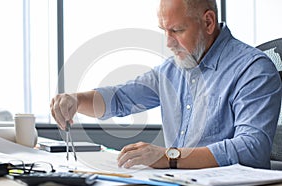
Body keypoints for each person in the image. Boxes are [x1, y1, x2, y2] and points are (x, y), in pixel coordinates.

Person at [51, 0, 281, 169]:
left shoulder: (253, 69)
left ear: (208, 22)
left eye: (177, 30)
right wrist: (76, 100)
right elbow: (120, 98)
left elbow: (252, 148)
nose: (168, 43)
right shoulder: (172, 70)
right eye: (164, 30)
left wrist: (170, 157)